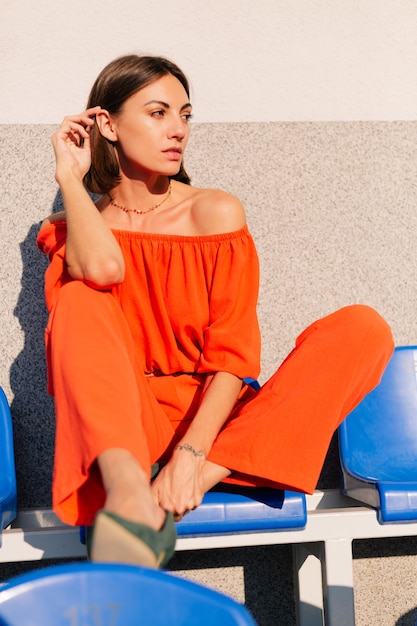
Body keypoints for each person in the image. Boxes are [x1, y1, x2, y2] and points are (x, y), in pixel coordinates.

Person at [37, 54, 394, 568]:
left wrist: (192, 458)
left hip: (216, 422)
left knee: (363, 327)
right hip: (124, 419)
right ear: (107, 124)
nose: (177, 130)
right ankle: (128, 489)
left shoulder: (213, 212)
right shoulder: (75, 231)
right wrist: (71, 178)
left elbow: (233, 353)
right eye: (158, 113)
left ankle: (184, 485)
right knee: (78, 295)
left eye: (185, 115)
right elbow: (104, 271)